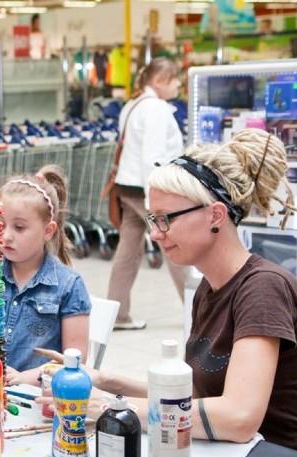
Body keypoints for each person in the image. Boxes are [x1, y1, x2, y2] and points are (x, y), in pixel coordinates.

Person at [46, 129, 297, 453]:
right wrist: (102, 381)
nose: (154, 233)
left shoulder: (264, 289)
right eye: (153, 219)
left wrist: (109, 408)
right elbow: (193, 395)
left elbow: (238, 417)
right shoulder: (208, 288)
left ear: (215, 215)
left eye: (166, 219)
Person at [106, 57, 186, 330]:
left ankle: (117, 314)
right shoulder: (155, 108)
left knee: (128, 251)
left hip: (128, 187)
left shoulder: (133, 105)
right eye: (174, 79)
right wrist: (157, 202)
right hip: (146, 190)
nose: (178, 84)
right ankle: (198, 314)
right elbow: (152, 157)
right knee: (177, 246)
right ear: (158, 81)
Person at [0, 166, 91, 387]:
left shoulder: (68, 286)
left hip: (37, 399)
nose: (6, 236)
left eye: (19, 227)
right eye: (0, 225)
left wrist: (24, 378)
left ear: (48, 231)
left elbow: (74, 361)